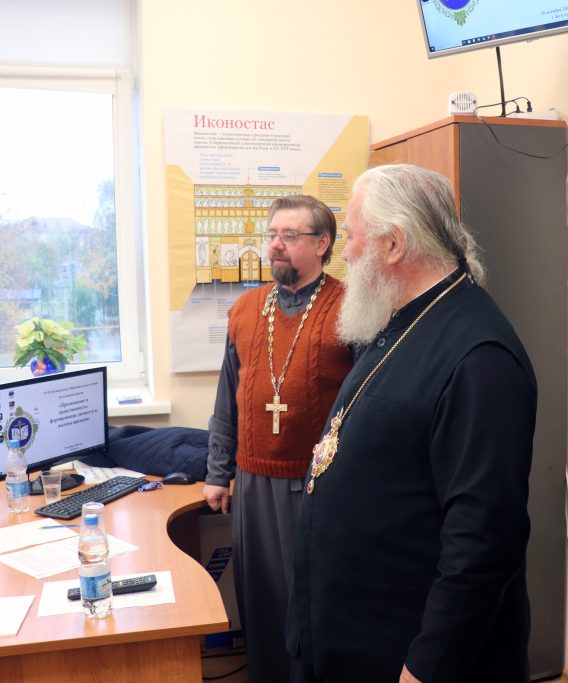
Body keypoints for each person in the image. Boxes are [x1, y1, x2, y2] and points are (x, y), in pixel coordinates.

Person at [286, 164, 537, 683]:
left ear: (394, 244)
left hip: (409, 655)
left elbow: (483, 539)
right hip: (356, 637)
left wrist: (427, 666)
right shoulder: (400, 321)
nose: (346, 254)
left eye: (352, 236)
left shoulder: (479, 357)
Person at [204, 195, 352, 683]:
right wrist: (217, 473)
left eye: (289, 236)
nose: (275, 245)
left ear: (322, 243)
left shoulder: (350, 308)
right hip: (252, 482)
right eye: (272, 235)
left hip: (317, 485)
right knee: (261, 602)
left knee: (307, 606)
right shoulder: (246, 310)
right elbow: (228, 399)